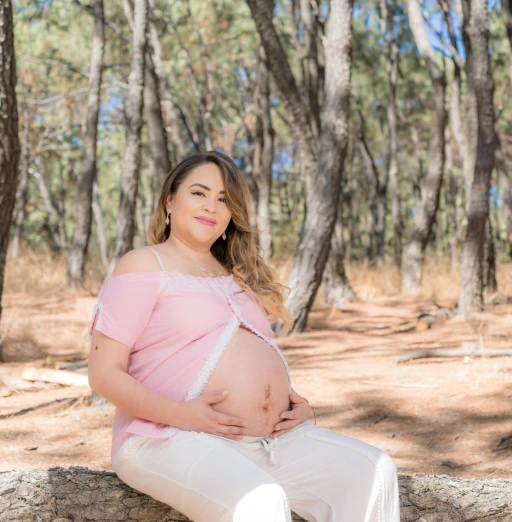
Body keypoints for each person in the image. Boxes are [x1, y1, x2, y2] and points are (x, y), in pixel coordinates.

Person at [87, 151, 400, 522]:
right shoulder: (143, 263)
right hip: (165, 437)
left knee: (372, 471)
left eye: (224, 199)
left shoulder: (238, 276)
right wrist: (180, 415)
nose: (211, 206)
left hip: (267, 442)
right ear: (170, 199)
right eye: (199, 193)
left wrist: (291, 404)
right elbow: (103, 373)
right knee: (260, 501)